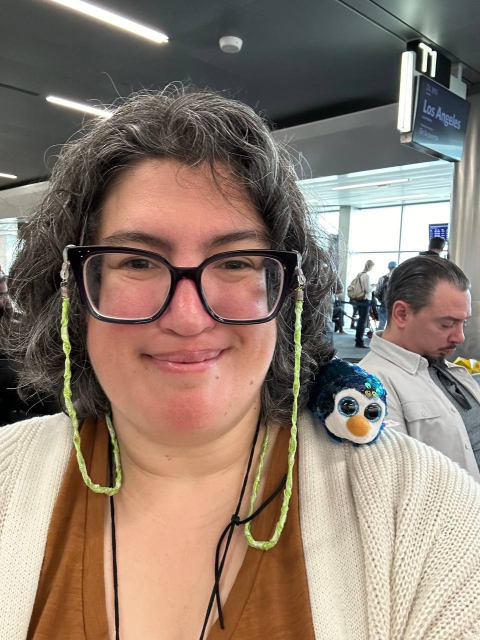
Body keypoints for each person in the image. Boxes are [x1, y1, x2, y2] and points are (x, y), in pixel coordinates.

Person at [1, 89, 479, 640]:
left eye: (233, 262)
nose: (186, 317)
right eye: (136, 261)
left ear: (287, 289)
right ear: (76, 292)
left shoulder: (420, 509)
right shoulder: (6, 482)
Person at [361, 256, 480, 479]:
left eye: (463, 323)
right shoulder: (370, 386)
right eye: (446, 324)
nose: (460, 337)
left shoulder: (443, 367)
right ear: (402, 314)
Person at [351, 259, 374, 349]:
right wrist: (372, 287)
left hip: (360, 299)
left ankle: (358, 339)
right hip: (365, 299)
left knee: (361, 320)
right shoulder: (366, 276)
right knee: (362, 321)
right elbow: (368, 290)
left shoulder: (359, 274)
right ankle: (359, 341)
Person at [375, 261, 397, 330]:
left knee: (382, 324)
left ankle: (379, 340)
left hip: (383, 304)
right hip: (395, 305)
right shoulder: (398, 279)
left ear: (388, 268)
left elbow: (377, 292)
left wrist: (381, 300)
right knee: (393, 325)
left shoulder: (382, 278)